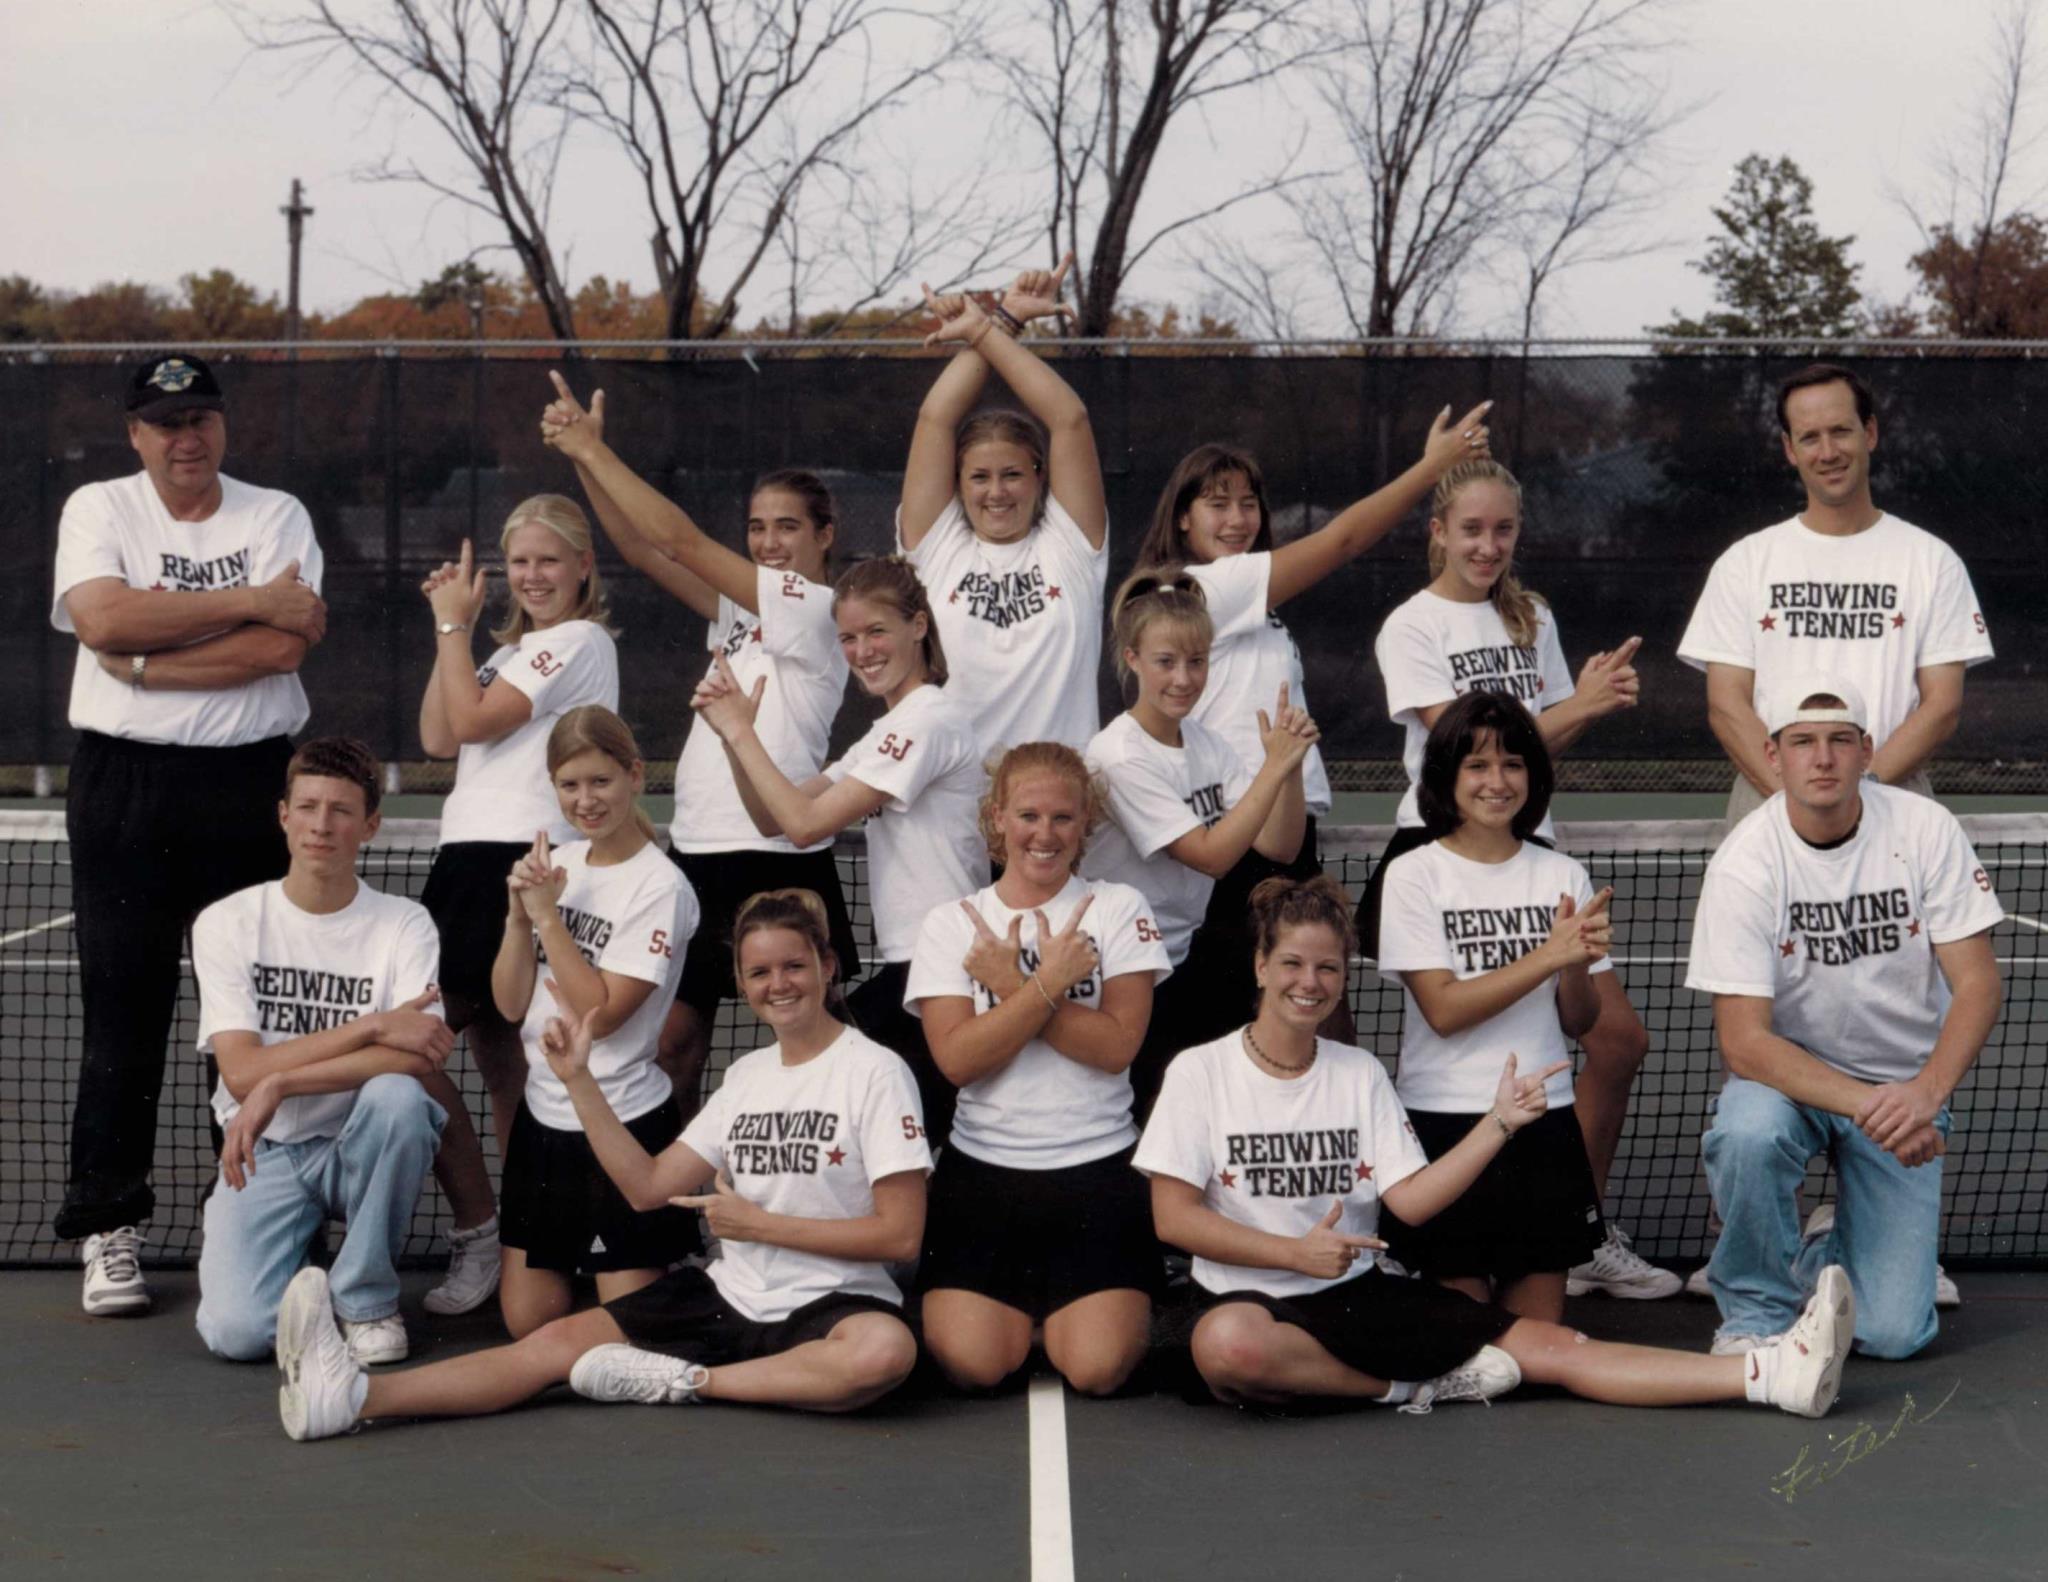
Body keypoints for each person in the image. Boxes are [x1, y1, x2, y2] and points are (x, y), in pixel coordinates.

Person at [1135, 873, 1855, 1419]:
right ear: (1260, 966)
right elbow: (1174, 1218)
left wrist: (1499, 1123)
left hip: (1356, 1299)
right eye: (1292, 963)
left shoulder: (1356, 1073)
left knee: (1549, 1346)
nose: (1310, 982)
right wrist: (1294, 1255)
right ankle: (1410, 1388)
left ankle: (1770, 1376)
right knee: (1229, 1346)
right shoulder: (1201, 1072)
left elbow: (1410, 1203)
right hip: (1249, 1301)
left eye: (1328, 968)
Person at [275, 889, 930, 1439]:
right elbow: (648, 1187)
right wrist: (578, 1080)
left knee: (883, 1353)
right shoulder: (747, 1077)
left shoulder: (875, 1072)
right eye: (759, 972)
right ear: (740, 983)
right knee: (550, 1345)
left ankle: (686, 1382)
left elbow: (900, 1235)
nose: (778, 984)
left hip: (835, 1303)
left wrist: (762, 1227)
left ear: (827, 966)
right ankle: (353, 1397)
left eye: (794, 966)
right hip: (728, 1296)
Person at [50, 351, 329, 1315]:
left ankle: (254, 1220)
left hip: (248, 785)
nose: (185, 438)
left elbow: (284, 646)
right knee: (123, 1014)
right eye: (165, 424)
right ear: (136, 434)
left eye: (201, 418)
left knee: (252, 1021)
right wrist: (245, 601)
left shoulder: (276, 514)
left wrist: (144, 661)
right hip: (123, 785)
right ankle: (108, 1226)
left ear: (223, 426)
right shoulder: (99, 508)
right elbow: (100, 618)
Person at [1364, 457, 1670, 1301]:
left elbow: (1535, 750)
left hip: (1533, 849)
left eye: (1503, 529)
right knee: (1436, 1045)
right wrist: (1583, 704)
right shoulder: (1412, 625)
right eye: (1471, 529)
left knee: (1615, 1037)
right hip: (1440, 844)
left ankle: (1581, 1230)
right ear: (1438, 532)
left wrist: (1581, 708)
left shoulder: (1532, 616)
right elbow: (1462, 746)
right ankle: (1397, 1225)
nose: (1488, 545)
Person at [537, 373, 862, 1113]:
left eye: (787, 527)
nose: (769, 541)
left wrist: (595, 450)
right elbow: (641, 548)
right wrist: (584, 458)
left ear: (824, 535)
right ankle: (676, 1184)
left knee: (822, 1041)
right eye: (757, 527)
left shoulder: (819, 608)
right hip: (697, 852)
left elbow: (677, 538)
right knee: (673, 1045)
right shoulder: (740, 610)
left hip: (779, 856)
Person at [1131, 401, 1496, 1041]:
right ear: (1182, 517)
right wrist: (1431, 468)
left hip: (1285, 833)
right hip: (1242, 839)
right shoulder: (1201, 589)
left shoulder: (1251, 608)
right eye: (1217, 504)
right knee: (1268, 1032)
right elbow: (1344, 539)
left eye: (1248, 503)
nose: (1237, 519)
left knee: (1320, 1022)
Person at [1687, 679, 2003, 1359]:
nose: (1823, 758)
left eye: (1839, 741)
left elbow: (1978, 983)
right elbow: (1744, 1044)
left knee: (1891, 1334)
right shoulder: (1744, 863)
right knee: (1747, 1131)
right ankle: (1755, 1314)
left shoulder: (1925, 829)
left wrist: (1924, 1095)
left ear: (1866, 751)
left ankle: (1822, 1252)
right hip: (1788, 1084)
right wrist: (1876, 1108)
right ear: (1774, 757)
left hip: (1902, 1084)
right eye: (1803, 742)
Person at [192, 738, 475, 1365]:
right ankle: (302, 1253)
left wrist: (283, 1081)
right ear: (283, 815)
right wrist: (372, 1026)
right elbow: (240, 1072)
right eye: (308, 807)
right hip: (266, 1153)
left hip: (360, 1147)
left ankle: (366, 1301)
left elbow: (417, 1058)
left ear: (370, 825)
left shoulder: (404, 923)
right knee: (238, 1334)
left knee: (400, 1100)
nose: (322, 825)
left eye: (342, 810)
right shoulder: (227, 921)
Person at [904, 743, 1173, 1395]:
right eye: (1028, 815)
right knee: (972, 1366)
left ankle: (1065, 1317)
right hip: (982, 1176)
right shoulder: (952, 924)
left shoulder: (1119, 908)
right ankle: (1034, 1317)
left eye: (1062, 817)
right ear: (998, 817)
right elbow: (959, 1060)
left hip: (1098, 1172)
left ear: (1086, 824)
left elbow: (1116, 1047)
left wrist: (1013, 987)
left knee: (1098, 1369)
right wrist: (1047, 985)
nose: (1044, 834)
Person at [691, 556, 987, 1140]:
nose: (862, 651)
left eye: (876, 631)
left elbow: (804, 826)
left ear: (918, 626)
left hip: (946, 966)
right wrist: (731, 738)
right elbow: (773, 820)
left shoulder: (927, 720)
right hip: (914, 965)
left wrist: (742, 733)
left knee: (891, 1129)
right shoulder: (885, 732)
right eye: (848, 638)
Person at [414, 495, 623, 1314]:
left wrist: (449, 626)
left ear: (583, 566)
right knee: (485, 1064)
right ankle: (505, 1239)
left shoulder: (578, 642)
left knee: (440, 1051)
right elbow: (439, 736)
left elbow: (466, 721)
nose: (533, 576)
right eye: (521, 562)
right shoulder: (510, 652)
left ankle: (511, 1236)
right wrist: (458, 634)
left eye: (549, 560)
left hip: (518, 861)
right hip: (465, 861)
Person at [1373, 692, 1617, 1323]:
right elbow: (1444, 1010)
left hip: (1543, 1122)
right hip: (1446, 1122)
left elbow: (1579, 1021)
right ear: (1446, 776)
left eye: (1512, 764)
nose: (1497, 781)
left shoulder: (1562, 874)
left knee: (1534, 1342)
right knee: (1466, 1341)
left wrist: (1574, 965)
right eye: (1477, 765)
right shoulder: (1413, 874)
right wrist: (1549, 954)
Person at [1678, 363, 1994, 824]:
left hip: (1895, 801)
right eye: (1810, 437)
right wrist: (1798, 800)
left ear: (1870, 433)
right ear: (1790, 449)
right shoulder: (1743, 562)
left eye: (1841, 431)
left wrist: (1861, 792)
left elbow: (1942, 706)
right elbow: (1727, 707)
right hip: (1768, 801)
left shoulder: (1933, 560)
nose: (1828, 452)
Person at [490, 707, 700, 1338]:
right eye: (570, 784)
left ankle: (664, 1262)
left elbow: (600, 1018)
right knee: (528, 1324)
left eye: (601, 781)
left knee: (630, 1328)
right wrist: (518, 918)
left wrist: (547, 918)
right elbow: (509, 1004)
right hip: (544, 1121)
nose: (585, 800)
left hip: (623, 1124)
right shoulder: (564, 863)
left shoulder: (660, 888)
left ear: (634, 775)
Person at [1081, 572, 1319, 1118]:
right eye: (1166, 662)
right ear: (1133, 659)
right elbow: (1211, 857)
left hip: (1182, 956)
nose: (1184, 679)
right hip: (1118, 971)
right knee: (1140, 1118)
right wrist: (1272, 768)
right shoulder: (1120, 755)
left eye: (1197, 661)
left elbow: (1280, 846)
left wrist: (1290, 767)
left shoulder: (1207, 743)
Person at [900, 257, 1109, 756]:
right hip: (954, 791)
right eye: (979, 477)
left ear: (1039, 477)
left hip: (1056, 794)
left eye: (1012, 474)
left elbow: (1070, 419)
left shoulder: (1071, 545)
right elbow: (934, 418)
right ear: (958, 484)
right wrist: (1005, 320)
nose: (996, 491)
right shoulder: (937, 545)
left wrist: (985, 330)